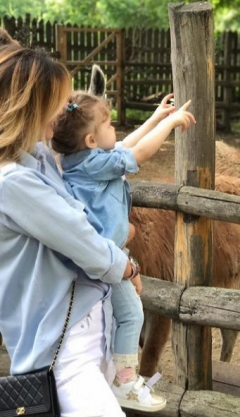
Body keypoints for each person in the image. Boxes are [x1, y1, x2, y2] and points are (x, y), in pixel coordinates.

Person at [0, 38, 149, 416]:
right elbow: (83, 239)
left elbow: (83, 219)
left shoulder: (37, 158)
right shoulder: (13, 181)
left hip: (88, 328)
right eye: (58, 104)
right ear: (29, 107)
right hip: (60, 350)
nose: (64, 113)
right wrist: (126, 266)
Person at [51, 89, 196, 410]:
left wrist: (156, 117)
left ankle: (117, 375)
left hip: (109, 253)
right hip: (106, 256)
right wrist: (170, 124)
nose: (114, 129)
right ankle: (125, 379)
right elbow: (138, 153)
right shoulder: (94, 166)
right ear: (91, 139)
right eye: (108, 123)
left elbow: (124, 144)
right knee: (132, 314)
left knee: (119, 314)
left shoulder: (82, 160)